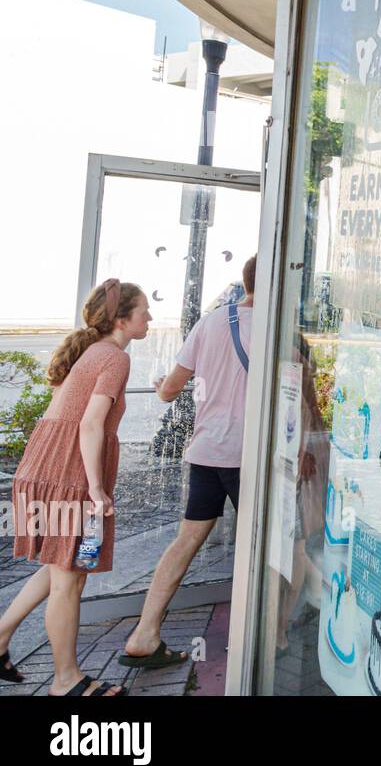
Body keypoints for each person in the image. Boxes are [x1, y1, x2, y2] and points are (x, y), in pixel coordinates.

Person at [0, 278, 150, 696]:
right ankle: (65, 681)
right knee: (70, 580)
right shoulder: (115, 358)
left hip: (44, 464)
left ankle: (0, 638)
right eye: (143, 311)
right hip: (68, 472)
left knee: (60, 567)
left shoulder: (90, 350)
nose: (150, 317)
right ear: (123, 320)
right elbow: (89, 424)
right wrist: (97, 488)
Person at [119, 256, 256, 669]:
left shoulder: (213, 321)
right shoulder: (275, 328)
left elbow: (171, 390)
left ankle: (145, 632)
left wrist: (163, 386)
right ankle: (276, 636)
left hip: (207, 453)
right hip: (246, 455)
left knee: (187, 540)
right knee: (285, 544)